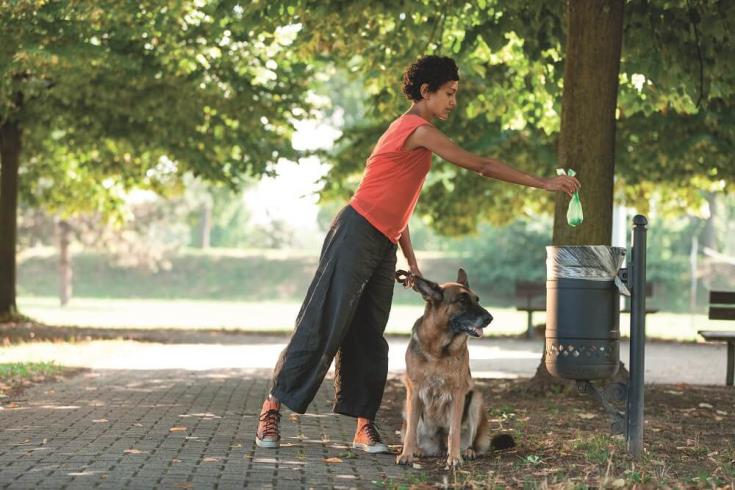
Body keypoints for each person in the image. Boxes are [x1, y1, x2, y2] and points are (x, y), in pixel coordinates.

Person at [255, 55, 580, 453]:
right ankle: (271, 410)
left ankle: (363, 425)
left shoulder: (419, 140)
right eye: (448, 93)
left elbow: (400, 206)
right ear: (426, 92)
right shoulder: (415, 129)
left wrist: (409, 260)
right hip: (355, 231)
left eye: (455, 94)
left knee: (370, 334)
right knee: (324, 322)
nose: (453, 102)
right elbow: (481, 164)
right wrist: (545, 183)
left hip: (382, 241)